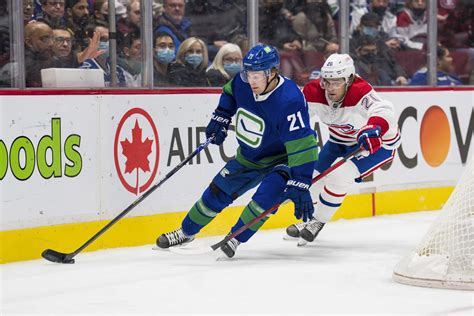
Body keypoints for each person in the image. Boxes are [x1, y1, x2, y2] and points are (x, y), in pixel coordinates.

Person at [157, 44, 319, 258]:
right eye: (248, 74)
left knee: (266, 196)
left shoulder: (289, 100)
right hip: (250, 156)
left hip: (284, 158)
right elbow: (229, 93)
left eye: (257, 75)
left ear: (272, 73)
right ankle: (186, 232)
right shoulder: (242, 83)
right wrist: (222, 115)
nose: (251, 80)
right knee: (217, 192)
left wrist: (301, 180)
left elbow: (302, 144)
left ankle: (235, 238)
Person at [286, 53, 401, 243]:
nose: (330, 88)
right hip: (339, 141)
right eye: (327, 81)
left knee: (339, 176)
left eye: (336, 82)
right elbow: (297, 117)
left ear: (348, 80)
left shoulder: (360, 91)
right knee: (310, 178)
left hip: (376, 145)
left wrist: (375, 127)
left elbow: (383, 109)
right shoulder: (314, 91)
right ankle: (308, 220)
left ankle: (318, 221)